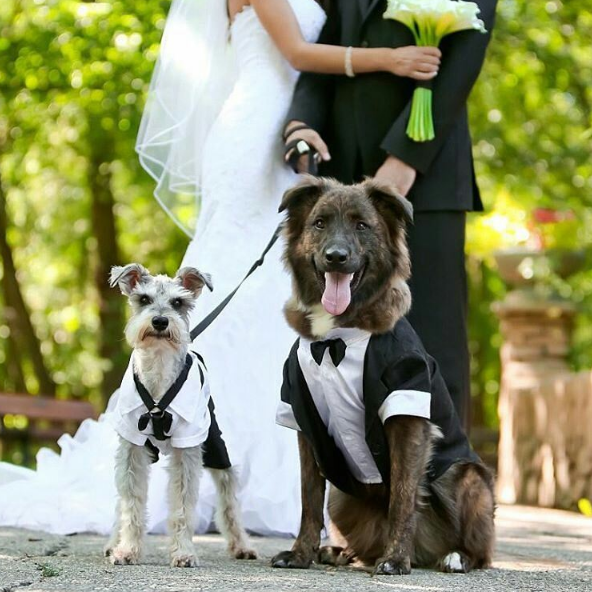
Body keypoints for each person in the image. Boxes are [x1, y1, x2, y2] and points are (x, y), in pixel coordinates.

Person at [0, 0, 443, 536]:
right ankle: (205, 450)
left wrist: (304, 124)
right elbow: (298, 51)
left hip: (287, 129)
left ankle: (272, 453)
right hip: (255, 131)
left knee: (276, 290)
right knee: (246, 272)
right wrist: (393, 59)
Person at [284, 0, 498, 431]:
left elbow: (463, 60)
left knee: (433, 342)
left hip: (427, 174)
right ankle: (366, 487)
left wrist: (406, 159)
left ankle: (445, 486)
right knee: (345, 348)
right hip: (341, 175)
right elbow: (326, 49)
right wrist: (300, 125)